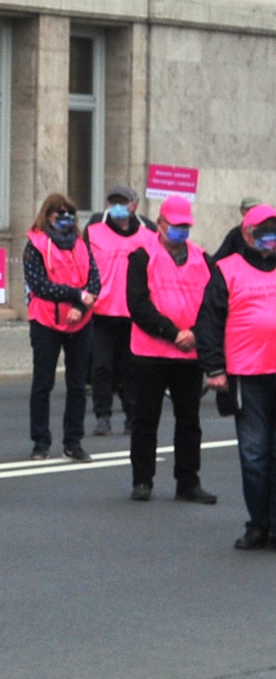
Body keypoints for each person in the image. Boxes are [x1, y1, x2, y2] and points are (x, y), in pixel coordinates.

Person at [124, 197, 219, 505]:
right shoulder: (142, 256)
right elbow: (138, 304)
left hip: (189, 353)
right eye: (177, 226)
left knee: (189, 421)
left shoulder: (202, 258)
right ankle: (142, 481)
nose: (182, 231)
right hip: (150, 352)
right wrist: (173, 333)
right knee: (145, 419)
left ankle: (188, 482)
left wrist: (196, 334)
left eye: (186, 226)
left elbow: (214, 304)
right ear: (161, 224)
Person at [196, 204, 276, 548]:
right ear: (246, 234)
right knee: (255, 453)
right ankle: (258, 525)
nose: (270, 239)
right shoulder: (227, 269)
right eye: (263, 233)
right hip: (246, 374)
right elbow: (208, 322)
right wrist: (214, 368)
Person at [25, 193, 100, 462]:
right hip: (45, 320)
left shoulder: (81, 243)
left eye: (70, 214)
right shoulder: (36, 244)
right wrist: (76, 295)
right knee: (42, 384)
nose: (66, 218)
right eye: (59, 214)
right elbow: (39, 285)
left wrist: (80, 306)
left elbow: (94, 281)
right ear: (48, 216)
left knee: (77, 385)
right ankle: (40, 442)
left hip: (80, 321)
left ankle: (73, 441)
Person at [87, 183, 155, 437]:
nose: (117, 207)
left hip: (134, 312)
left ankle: (132, 416)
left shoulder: (147, 232)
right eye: (113, 202)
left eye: (122, 202)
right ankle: (102, 416)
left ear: (133, 205)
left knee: (132, 368)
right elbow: (83, 263)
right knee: (101, 368)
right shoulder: (94, 229)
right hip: (102, 311)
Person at [211, 196, 262, 266]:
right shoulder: (235, 233)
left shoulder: (269, 231)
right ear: (242, 212)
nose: (253, 212)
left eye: (257, 209)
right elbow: (220, 256)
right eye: (249, 209)